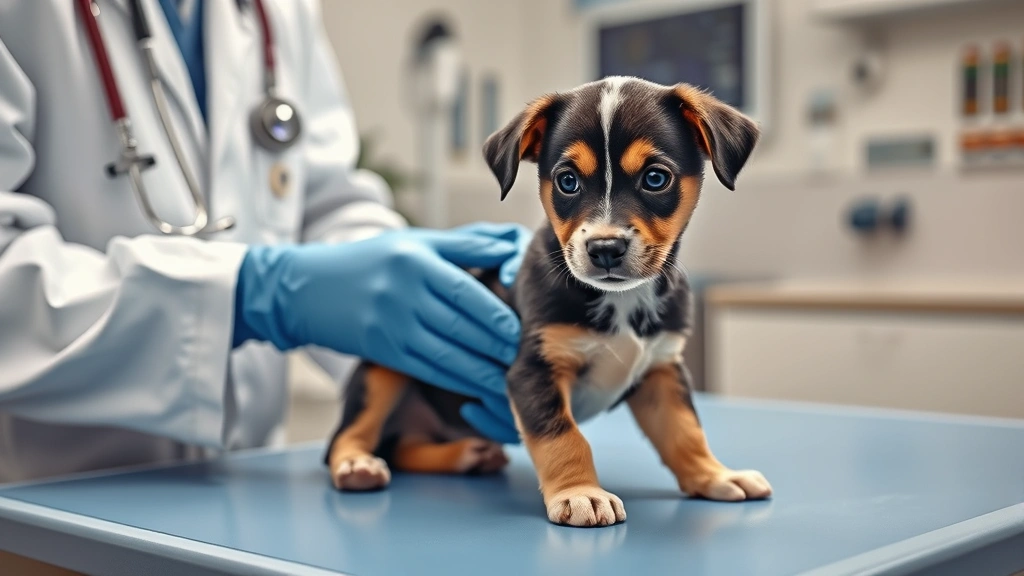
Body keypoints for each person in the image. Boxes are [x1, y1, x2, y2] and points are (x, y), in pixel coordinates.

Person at [0, 0, 527, 483]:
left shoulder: (279, 10)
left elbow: (321, 203)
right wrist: (253, 293)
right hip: (41, 502)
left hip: (245, 490)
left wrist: (416, 344)